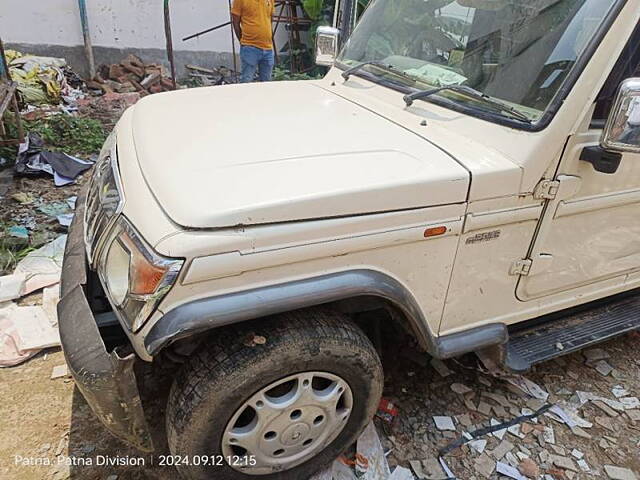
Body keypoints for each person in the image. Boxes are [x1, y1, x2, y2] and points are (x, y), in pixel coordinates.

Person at [231, 0, 275, 83]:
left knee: (267, 83)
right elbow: (235, 21)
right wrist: (242, 40)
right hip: (250, 47)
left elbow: (270, 19)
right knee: (247, 80)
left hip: (268, 48)